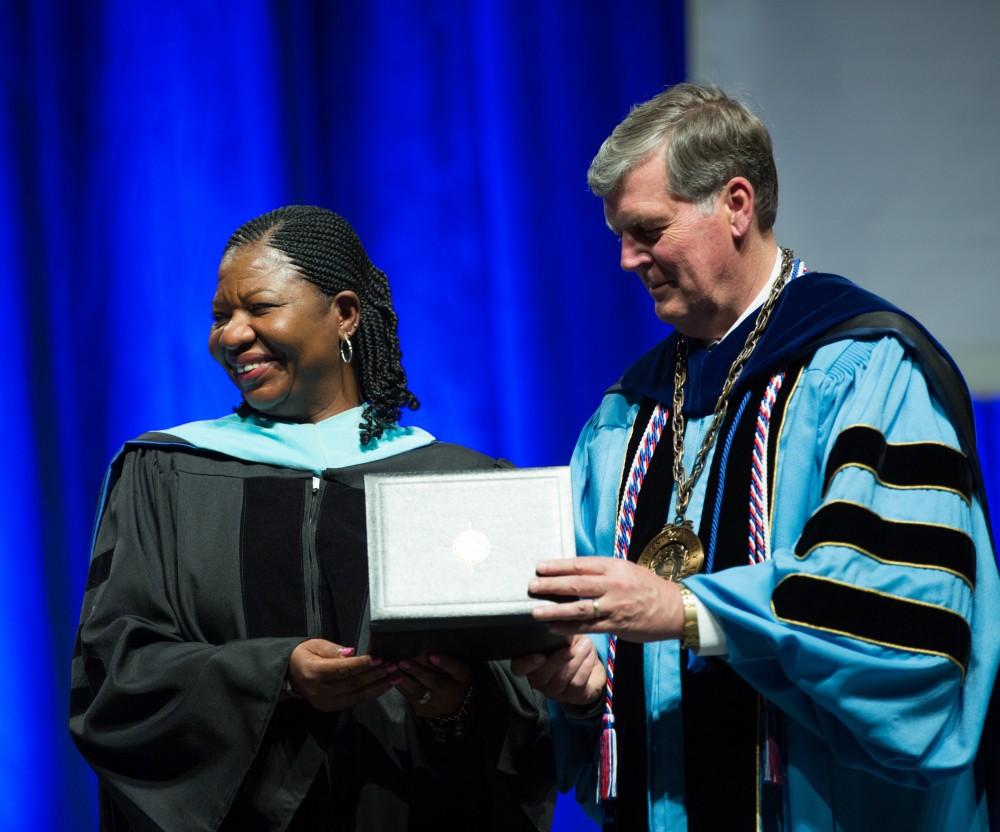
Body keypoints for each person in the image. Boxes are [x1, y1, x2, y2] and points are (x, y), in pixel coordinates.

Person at [511, 84, 999, 830]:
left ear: (736, 204)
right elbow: (601, 646)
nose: (625, 259)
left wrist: (686, 608)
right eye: (619, 234)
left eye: (647, 229)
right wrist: (584, 682)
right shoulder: (624, 417)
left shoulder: (866, 374)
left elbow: (899, 621)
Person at [70, 205, 555, 831]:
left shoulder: (454, 482)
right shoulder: (165, 475)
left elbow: (529, 703)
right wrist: (277, 677)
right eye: (221, 317)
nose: (232, 335)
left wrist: (455, 706)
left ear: (345, 313)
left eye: (260, 308)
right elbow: (116, 672)